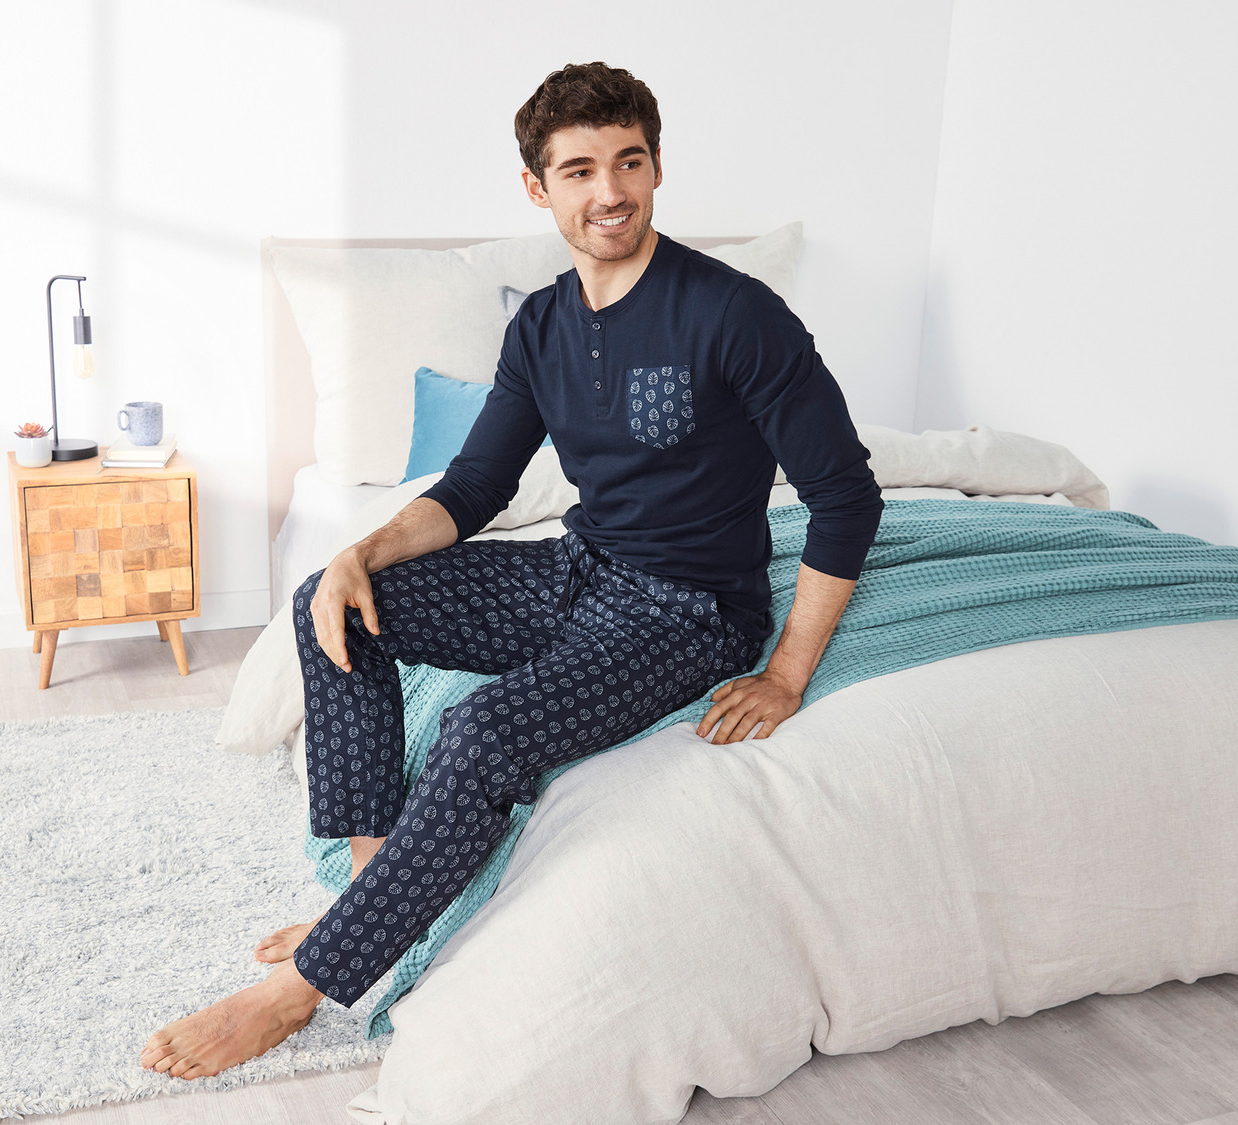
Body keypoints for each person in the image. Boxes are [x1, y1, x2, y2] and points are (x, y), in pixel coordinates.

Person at [140, 60, 883, 1080]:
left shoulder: (734, 313)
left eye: (629, 162)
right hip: (579, 569)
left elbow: (846, 495)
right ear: (538, 188)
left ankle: (302, 989)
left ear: (656, 168)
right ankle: (372, 897)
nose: (610, 191)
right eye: (579, 171)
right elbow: (477, 484)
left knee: (484, 731)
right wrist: (358, 552)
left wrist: (787, 674)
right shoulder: (539, 324)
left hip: (688, 613)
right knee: (333, 603)